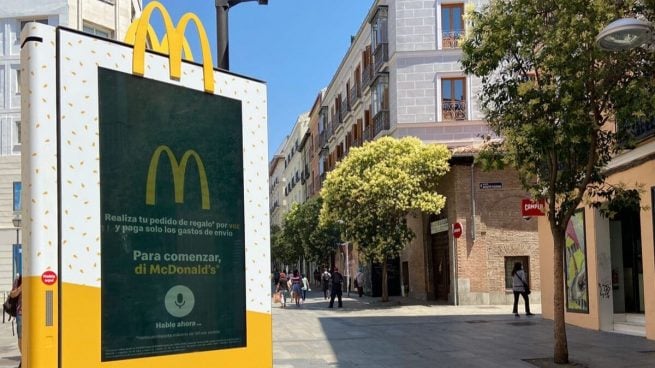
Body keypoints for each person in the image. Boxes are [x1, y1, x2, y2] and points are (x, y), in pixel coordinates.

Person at [9, 275, 22, 368]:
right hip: (21, 313)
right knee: (21, 337)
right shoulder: (18, 279)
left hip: (35, 314)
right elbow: (12, 294)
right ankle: (24, 356)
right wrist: (20, 288)